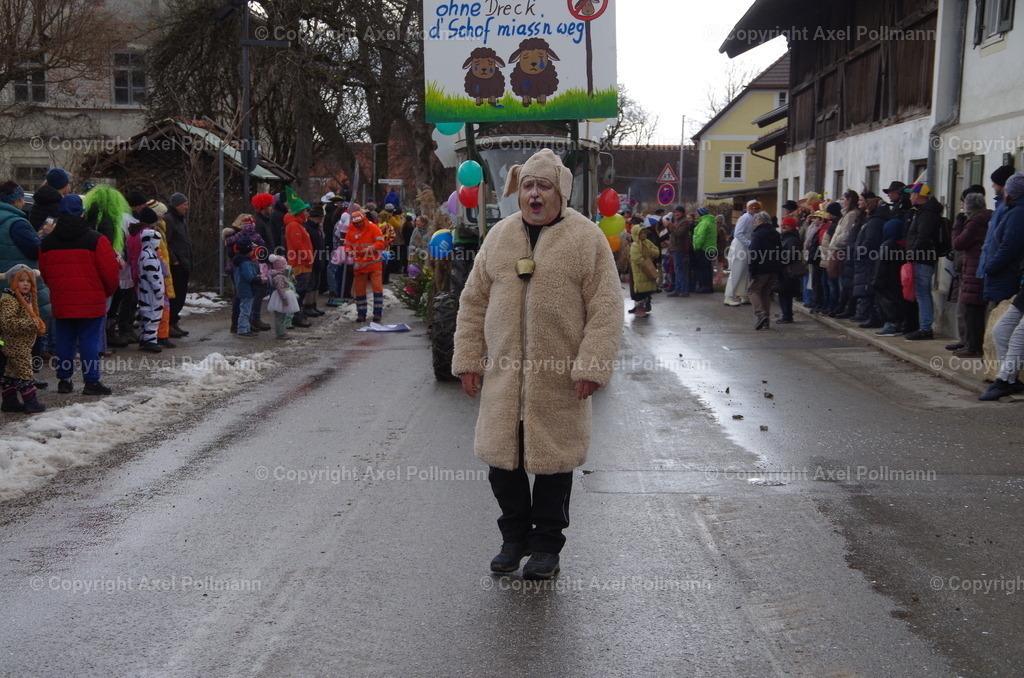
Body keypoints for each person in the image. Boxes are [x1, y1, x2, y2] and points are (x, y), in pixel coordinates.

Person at [451, 149, 623, 580]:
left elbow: (606, 308)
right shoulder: (499, 237)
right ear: (517, 190)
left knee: (553, 464)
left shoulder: (586, 239)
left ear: (560, 190)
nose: (534, 194)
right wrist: (469, 358)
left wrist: (592, 366)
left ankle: (546, 546)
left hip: (559, 378)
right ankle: (513, 539)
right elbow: (472, 302)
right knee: (501, 463)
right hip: (504, 376)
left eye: (543, 185)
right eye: (528, 185)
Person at [38, 194, 120, 395]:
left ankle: (64, 380)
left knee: (64, 341)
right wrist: (105, 292)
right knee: (89, 342)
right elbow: (110, 273)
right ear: (81, 211)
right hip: (91, 301)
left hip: (63, 300)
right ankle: (91, 382)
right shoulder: (96, 239)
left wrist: (58, 291)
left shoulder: (47, 243)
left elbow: (46, 274)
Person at [0, 265, 47, 412]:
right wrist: (31, 324)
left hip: (21, 343)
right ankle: (31, 401)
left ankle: (9, 401)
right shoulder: (10, 300)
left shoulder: (24, 299)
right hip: (15, 344)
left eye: (28, 281)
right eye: (21, 280)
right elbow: (7, 322)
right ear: (13, 282)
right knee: (25, 371)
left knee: (11, 371)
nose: (26, 284)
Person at [950, 192, 992, 357]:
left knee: (971, 310)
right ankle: (972, 344)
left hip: (973, 269)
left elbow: (958, 243)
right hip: (979, 267)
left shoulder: (973, 223)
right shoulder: (987, 218)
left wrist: (958, 224)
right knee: (976, 311)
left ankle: (973, 347)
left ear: (968, 206)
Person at [903, 181, 943, 340]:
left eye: (912, 193)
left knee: (922, 293)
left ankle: (926, 328)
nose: (910, 196)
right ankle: (924, 327)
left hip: (922, 259)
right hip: (921, 258)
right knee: (921, 292)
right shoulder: (923, 211)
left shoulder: (927, 214)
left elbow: (922, 237)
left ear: (918, 196)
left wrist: (911, 254)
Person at [131, 209, 166, 353]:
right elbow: (153, 276)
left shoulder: (144, 254)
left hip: (145, 291)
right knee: (153, 315)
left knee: (146, 314)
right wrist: (159, 289)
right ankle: (150, 340)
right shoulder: (150, 256)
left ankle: (145, 338)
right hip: (152, 293)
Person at [344, 210, 385, 322]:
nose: (358, 225)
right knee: (359, 290)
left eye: (360, 222)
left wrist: (371, 248)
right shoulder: (351, 230)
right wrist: (349, 251)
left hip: (374, 263)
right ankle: (361, 314)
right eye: (356, 223)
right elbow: (347, 245)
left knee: (377, 289)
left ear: (364, 219)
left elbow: (381, 243)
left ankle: (377, 314)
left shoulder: (373, 228)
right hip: (359, 264)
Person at [284, 188, 314, 327]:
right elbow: (298, 245)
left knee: (301, 289)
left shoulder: (298, 225)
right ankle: (296, 316)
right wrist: (308, 258)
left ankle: (297, 314)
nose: (307, 213)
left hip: (302, 262)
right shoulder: (294, 225)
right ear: (299, 212)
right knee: (299, 290)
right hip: (299, 263)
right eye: (305, 210)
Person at [747, 211, 782, 330]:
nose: (754, 223)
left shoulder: (758, 234)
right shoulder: (776, 234)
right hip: (774, 268)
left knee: (753, 290)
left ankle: (761, 315)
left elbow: (754, 253)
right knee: (765, 293)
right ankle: (766, 320)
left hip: (761, 268)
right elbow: (780, 251)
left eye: (755, 221)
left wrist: (752, 270)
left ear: (760, 221)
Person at [164, 193, 192, 338]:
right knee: (174, 296)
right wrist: (174, 259)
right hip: (177, 264)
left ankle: (174, 321)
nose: (186, 207)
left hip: (185, 262)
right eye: (184, 204)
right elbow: (165, 242)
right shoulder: (169, 219)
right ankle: (168, 324)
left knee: (181, 295)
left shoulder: (181, 219)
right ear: (176, 205)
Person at [724, 200, 759, 306]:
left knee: (745, 272)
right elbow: (738, 233)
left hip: (746, 247)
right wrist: (749, 243)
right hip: (740, 247)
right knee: (736, 271)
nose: (756, 210)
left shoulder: (753, 217)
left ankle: (743, 295)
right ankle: (729, 296)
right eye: (754, 208)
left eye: (757, 208)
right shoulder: (745, 218)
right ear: (749, 208)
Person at [775, 217, 803, 324]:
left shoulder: (791, 239)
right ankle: (786, 314)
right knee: (784, 293)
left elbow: (792, 254)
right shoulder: (788, 237)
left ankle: (787, 315)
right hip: (786, 270)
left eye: (785, 225)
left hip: (787, 271)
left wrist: (780, 261)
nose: (783, 226)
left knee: (785, 293)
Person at [630, 224, 659, 317]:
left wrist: (652, 253)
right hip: (640, 270)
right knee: (640, 291)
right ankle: (639, 309)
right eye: (641, 233)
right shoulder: (635, 245)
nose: (643, 235)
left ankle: (643, 308)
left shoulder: (648, 242)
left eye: (644, 232)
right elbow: (637, 258)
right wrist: (646, 262)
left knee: (646, 290)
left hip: (648, 267)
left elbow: (656, 251)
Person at [232, 238, 259, 338]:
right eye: (252, 249)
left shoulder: (238, 261)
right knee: (246, 310)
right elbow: (249, 277)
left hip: (242, 288)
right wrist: (259, 279)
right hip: (246, 289)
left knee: (245, 308)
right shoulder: (245, 263)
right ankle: (243, 329)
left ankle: (245, 327)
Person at [666, 206, 691, 297]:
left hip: (680, 249)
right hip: (675, 248)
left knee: (680, 270)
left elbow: (679, 234)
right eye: (675, 212)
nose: (676, 214)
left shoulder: (684, 222)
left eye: (679, 212)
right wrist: (669, 227)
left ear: (683, 213)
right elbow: (673, 233)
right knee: (678, 270)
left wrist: (671, 226)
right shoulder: (677, 221)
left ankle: (682, 290)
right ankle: (678, 289)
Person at [691, 207, 716, 293]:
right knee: (708, 268)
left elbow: (700, 236)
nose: (696, 215)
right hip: (710, 248)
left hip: (703, 249)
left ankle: (705, 287)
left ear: (701, 214)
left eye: (697, 213)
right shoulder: (710, 221)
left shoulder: (704, 223)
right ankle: (709, 286)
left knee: (703, 268)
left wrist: (696, 247)